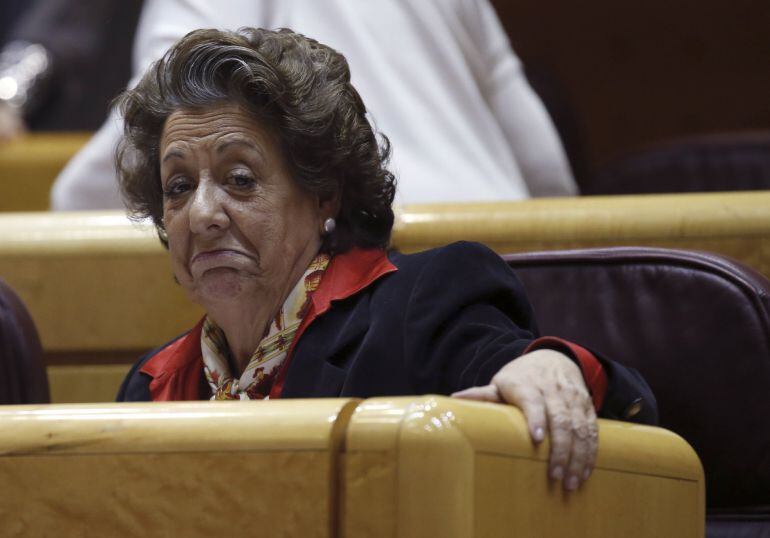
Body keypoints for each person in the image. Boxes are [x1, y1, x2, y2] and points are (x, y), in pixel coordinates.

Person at [116, 28, 656, 493]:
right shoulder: (151, 384)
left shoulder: (424, 305)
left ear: (324, 193)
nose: (202, 213)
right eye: (179, 186)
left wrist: (551, 367)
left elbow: (564, 394)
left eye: (240, 179)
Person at [51, 0, 576, 209]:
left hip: (362, 268)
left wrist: (69, 204)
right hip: (504, 244)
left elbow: (161, 119)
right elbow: (545, 168)